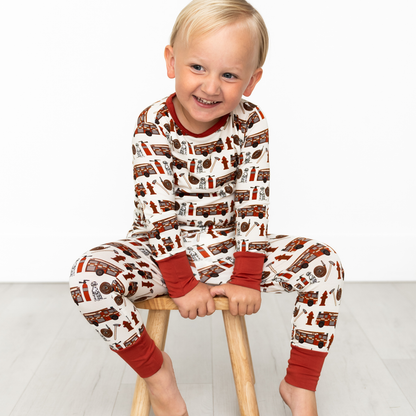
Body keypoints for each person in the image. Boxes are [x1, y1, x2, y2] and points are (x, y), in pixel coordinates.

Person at [69, 1, 344, 415]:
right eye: (197, 67)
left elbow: (254, 201)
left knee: (326, 264)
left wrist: (247, 276)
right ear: (171, 61)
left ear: (252, 81)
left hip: (230, 249)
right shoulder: (152, 124)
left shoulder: (251, 122)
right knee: (87, 276)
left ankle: (300, 384)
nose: (211, 87)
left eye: (229, 75)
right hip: (160, 254)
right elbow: (158, 212)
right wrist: (181, 283)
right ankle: (157, 374)